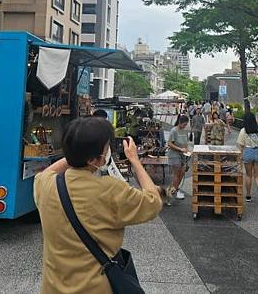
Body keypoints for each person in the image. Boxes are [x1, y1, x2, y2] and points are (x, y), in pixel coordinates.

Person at [34, 117, 162, 294]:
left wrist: (74, 154)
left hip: (52, 287)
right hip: (95, 288)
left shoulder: (46, 184)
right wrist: (135, 161)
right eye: (106, 147)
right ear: (95, 159)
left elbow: (47, 172)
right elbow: (153, 202)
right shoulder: (110, 190)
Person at [237, 112, 258, 206]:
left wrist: (240, 157)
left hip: (248, 152)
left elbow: (241, 145)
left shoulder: (243, 130)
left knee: (249, 175)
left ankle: (248, 195)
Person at [167, 114, 191, 203]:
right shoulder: (173, 130)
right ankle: (174, 192)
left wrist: (187, 150)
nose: (185, 126)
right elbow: (169, 143)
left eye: (186, 124)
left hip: (182, 155)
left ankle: (173, 190)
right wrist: (180, 149)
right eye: (184, 124)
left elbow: (186, 143)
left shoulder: (185, 131)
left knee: (182, 172)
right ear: (180, 122)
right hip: (174, 155)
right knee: (176, 174)